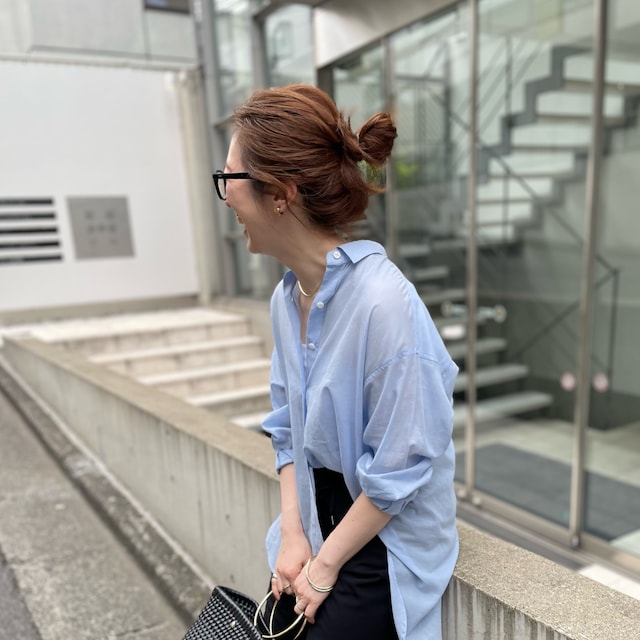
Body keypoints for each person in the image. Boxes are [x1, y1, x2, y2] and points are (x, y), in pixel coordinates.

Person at [216, 84, 459, 640]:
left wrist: (323, 566)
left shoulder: (384, 304)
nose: (225, 197)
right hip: (319, 515)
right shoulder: (287, 298)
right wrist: (294, 535)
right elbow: (286, 428)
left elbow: (400, 469)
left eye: (230, 179)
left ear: (281, 194)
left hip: (383, 534)